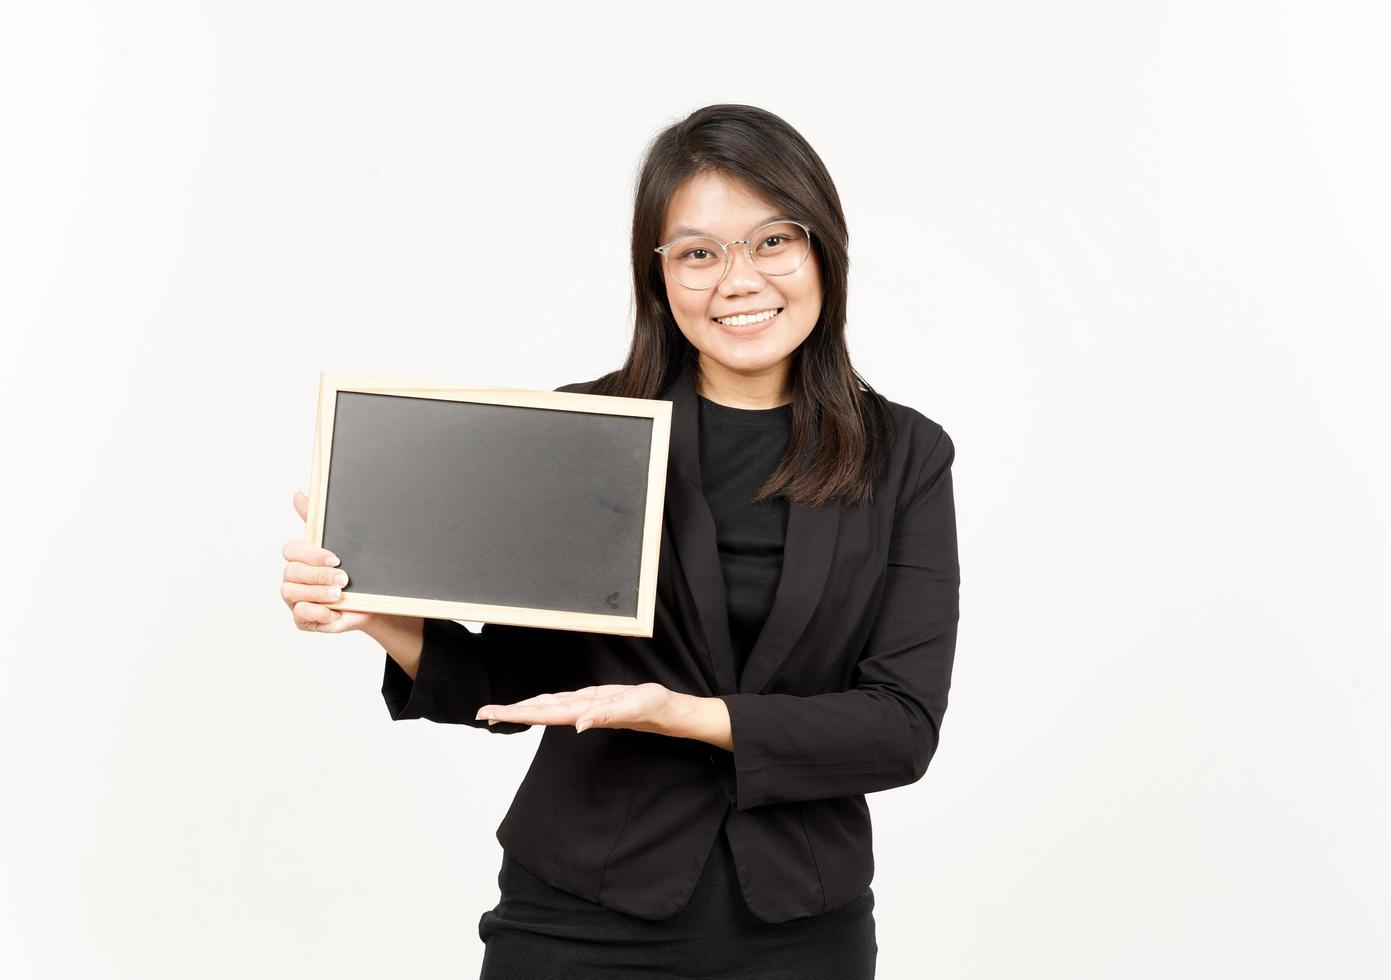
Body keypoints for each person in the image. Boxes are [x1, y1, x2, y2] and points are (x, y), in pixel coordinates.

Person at [279, 103, 961, 980]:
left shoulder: (905, 456)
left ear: (822, 248)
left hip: (801, 929)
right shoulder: (587, 431)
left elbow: (899, 728)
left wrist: (679, 715)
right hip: (576, 920)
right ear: (660, 275)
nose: (738, 279)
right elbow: (516, 679)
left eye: (772, 240)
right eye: (698, 252)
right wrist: (374, 611)